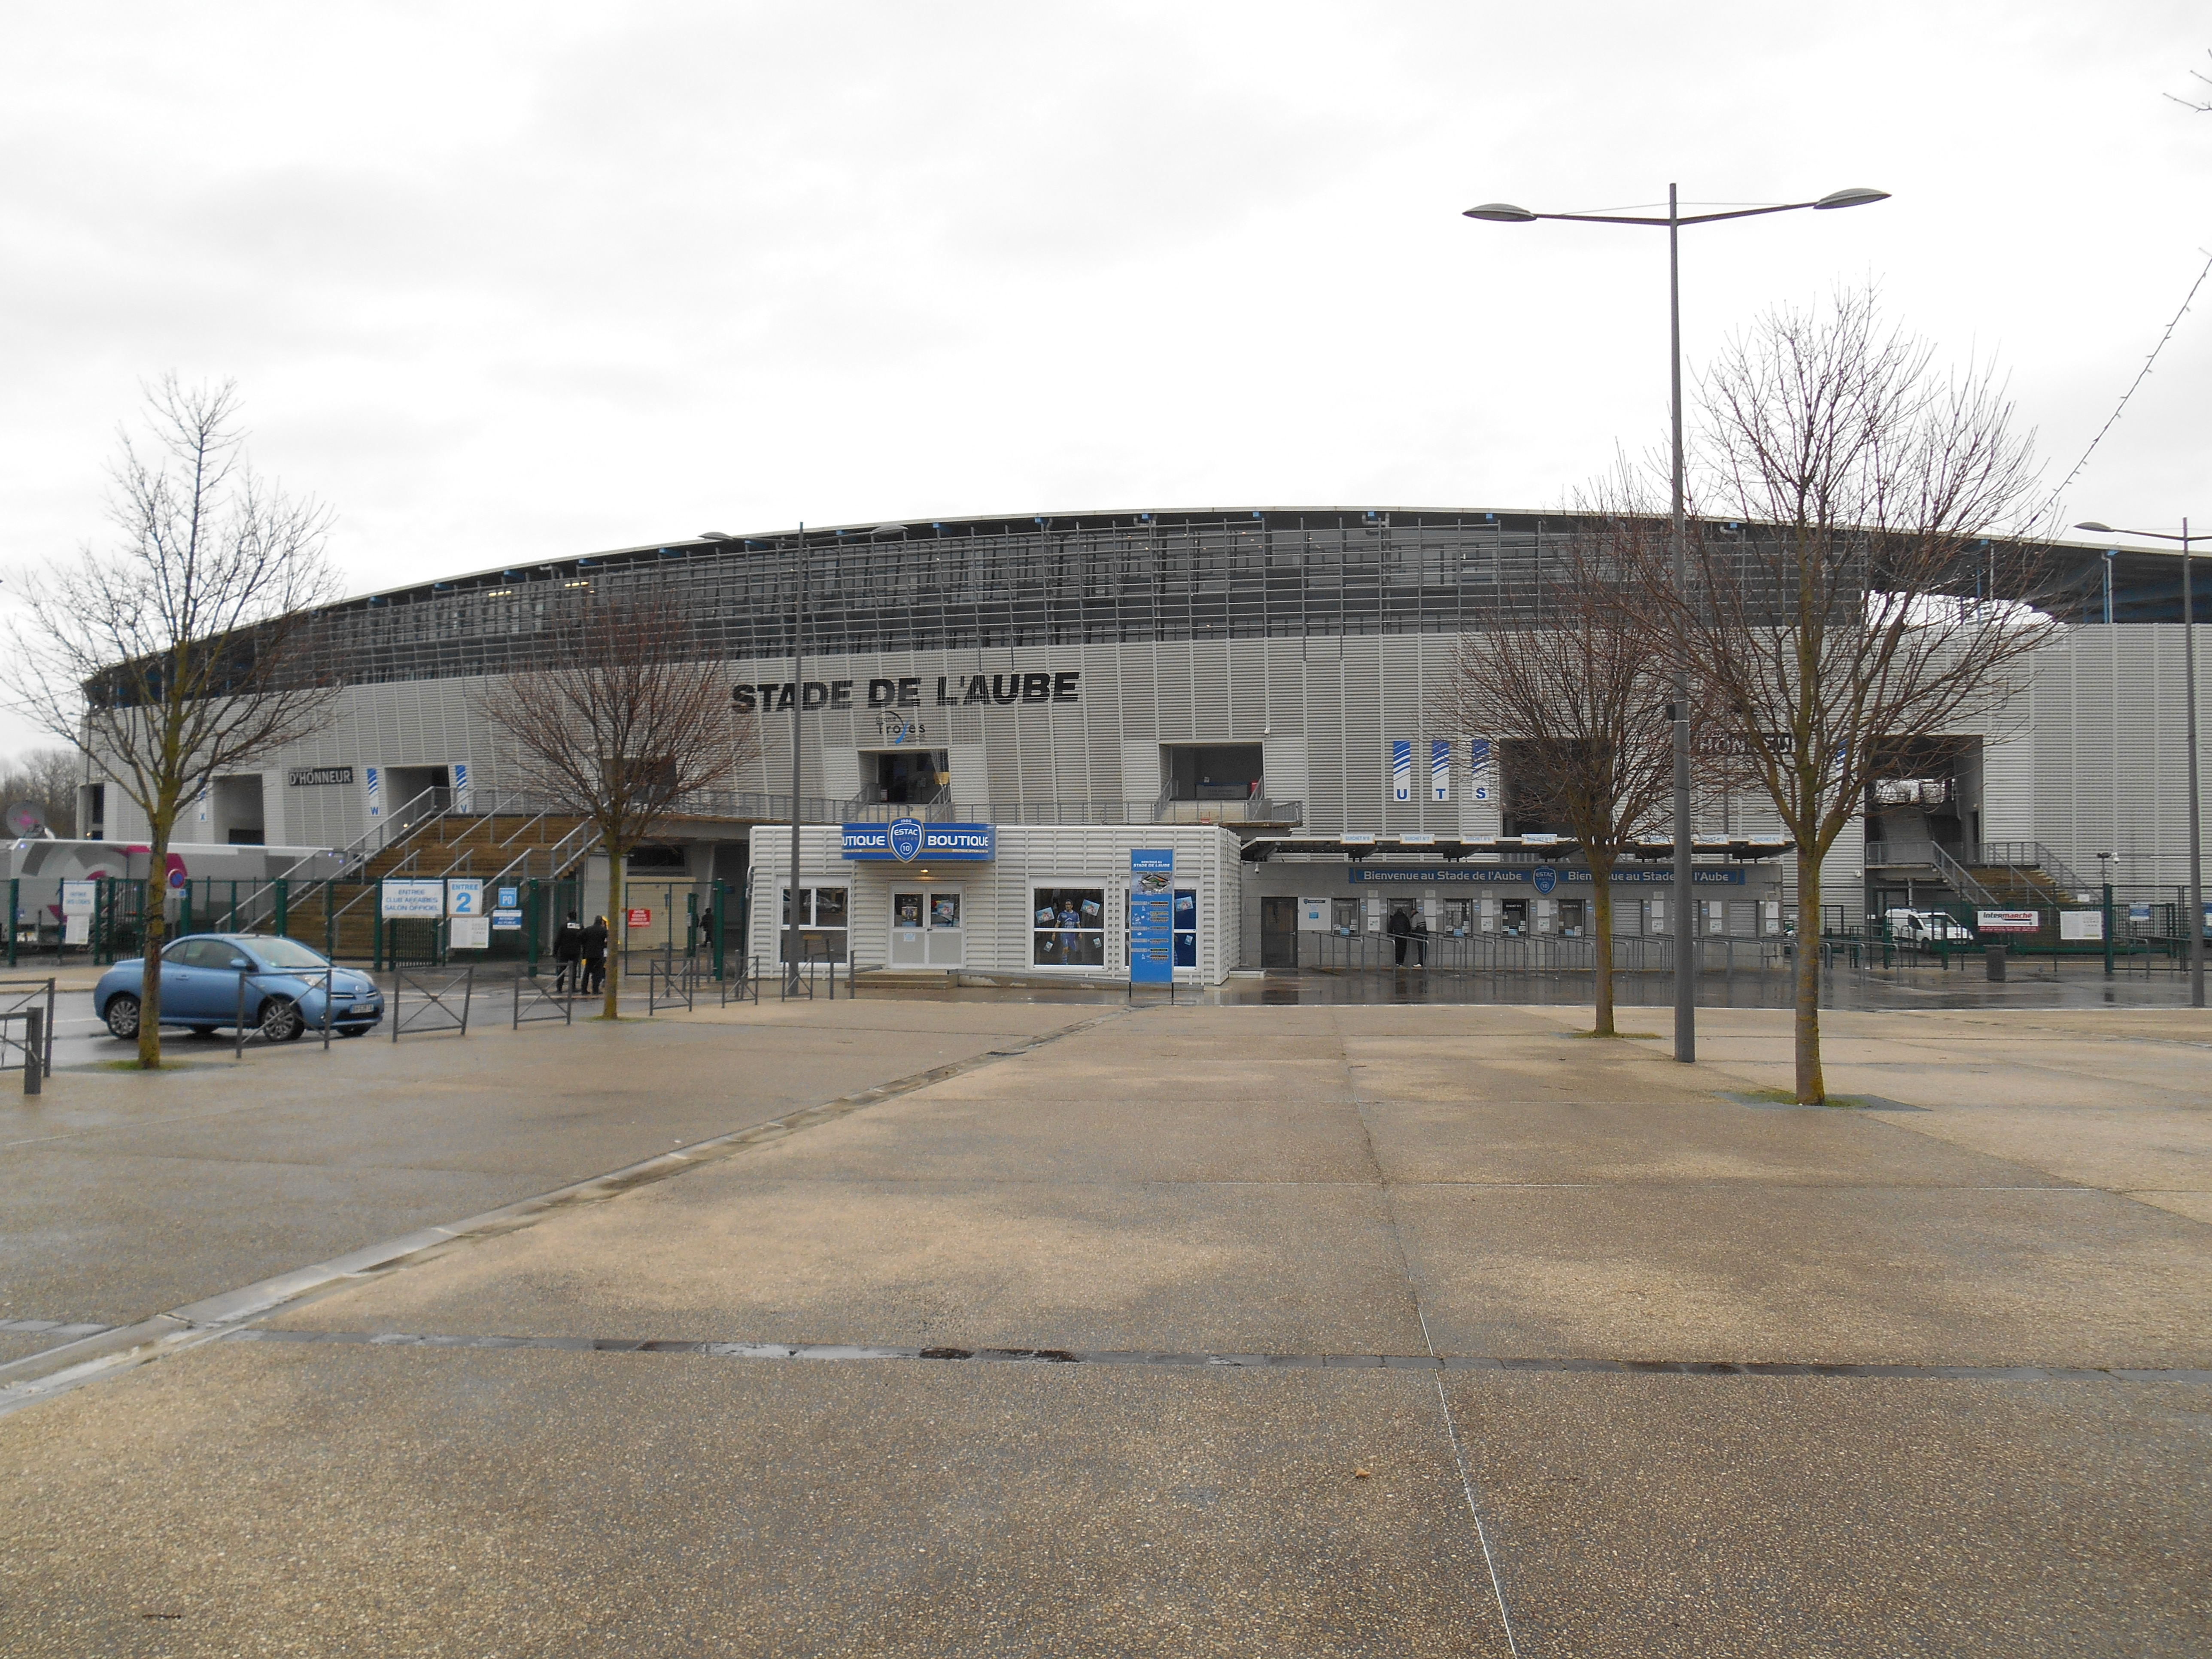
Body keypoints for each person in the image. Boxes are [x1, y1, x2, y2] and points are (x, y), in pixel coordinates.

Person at [552, 909, 583, 993]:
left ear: (568, 917)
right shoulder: (580, 926)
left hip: (564, 951)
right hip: (576, 951)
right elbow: (583, 939)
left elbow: (558, 940)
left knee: (562, 969)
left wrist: (555, 951)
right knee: (574, 969)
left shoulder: (564, 926)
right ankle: (573, 987)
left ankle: (559, 988)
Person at [579, 914, 608, 994]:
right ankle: (595, 989)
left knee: (587, 972)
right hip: (599, 953)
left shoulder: (589, 929)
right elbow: (609, 939)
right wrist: (604, 944)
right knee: (597, 972)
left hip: (589, 953)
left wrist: (585, 943)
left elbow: (579, 936)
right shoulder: (603, 931)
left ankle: (584, 989)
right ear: (601, 922)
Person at [1386, 903, 1412, 967]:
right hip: (1404, 935)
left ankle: (1397, 962)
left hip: (1397, 935)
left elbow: (1391, 926)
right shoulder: (1405, 918)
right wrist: (1409, 933)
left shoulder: (1394, 918)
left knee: (1398, 949)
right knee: (1403, 949)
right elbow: (1408, 926)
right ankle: (1401, 962)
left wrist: (1390, 933)